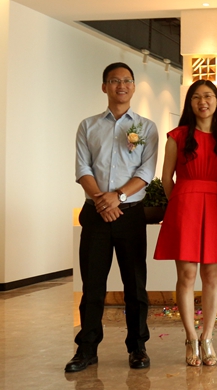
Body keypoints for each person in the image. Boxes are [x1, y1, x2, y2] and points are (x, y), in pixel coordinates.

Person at [67, 62, 159, 373]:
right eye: (115, 80)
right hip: (95, 214)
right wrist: (101, 200)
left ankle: (138, 347)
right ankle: (87, 348)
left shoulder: (146, 127)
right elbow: (82, 168)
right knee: (93, 285)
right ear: (104, 86)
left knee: (135, 285)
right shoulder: (88, 126)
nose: (121, 85)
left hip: (130, 215)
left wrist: (116, 197)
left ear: (133, 87)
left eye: (127, 80)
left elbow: (146, 171)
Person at [154, 80, 217, 366]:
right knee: (187, 276)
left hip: (214, 206)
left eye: (208, 96)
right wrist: (179, 201)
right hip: (184, 205)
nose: (203, 101)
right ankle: (190, 338)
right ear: (190, 103)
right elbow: (166, 178)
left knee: (211, 276)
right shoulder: (177, 136)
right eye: (197, 97)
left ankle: (207, 337)